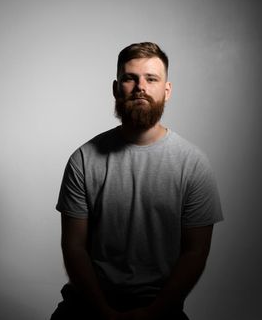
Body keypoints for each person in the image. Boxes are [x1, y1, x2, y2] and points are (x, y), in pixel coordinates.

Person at [51, 42, 223, 320]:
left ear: (166, 91)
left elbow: (195, 252)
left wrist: (154, 313)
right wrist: (105, 312)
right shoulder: (83, 160)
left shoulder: (193, 165)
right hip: (89, 304)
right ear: (116, 89)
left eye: (151, 79)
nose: (140, 86)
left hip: (160, 307)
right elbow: (73, 246)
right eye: (130, 78)